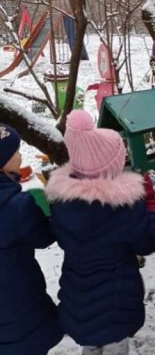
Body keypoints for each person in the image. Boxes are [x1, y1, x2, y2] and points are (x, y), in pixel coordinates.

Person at [45, 110, 155, 355]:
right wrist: (149, 203)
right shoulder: (124, 207)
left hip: (79, 299)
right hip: (116, 303)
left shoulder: (62, 205)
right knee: (115, 347)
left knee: (91, 344)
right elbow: (149, 241)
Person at [0, 124, 63, 355]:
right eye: (14, 152)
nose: (20, 155)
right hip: (20, 311)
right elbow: (44, 236)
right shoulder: (16, 207)